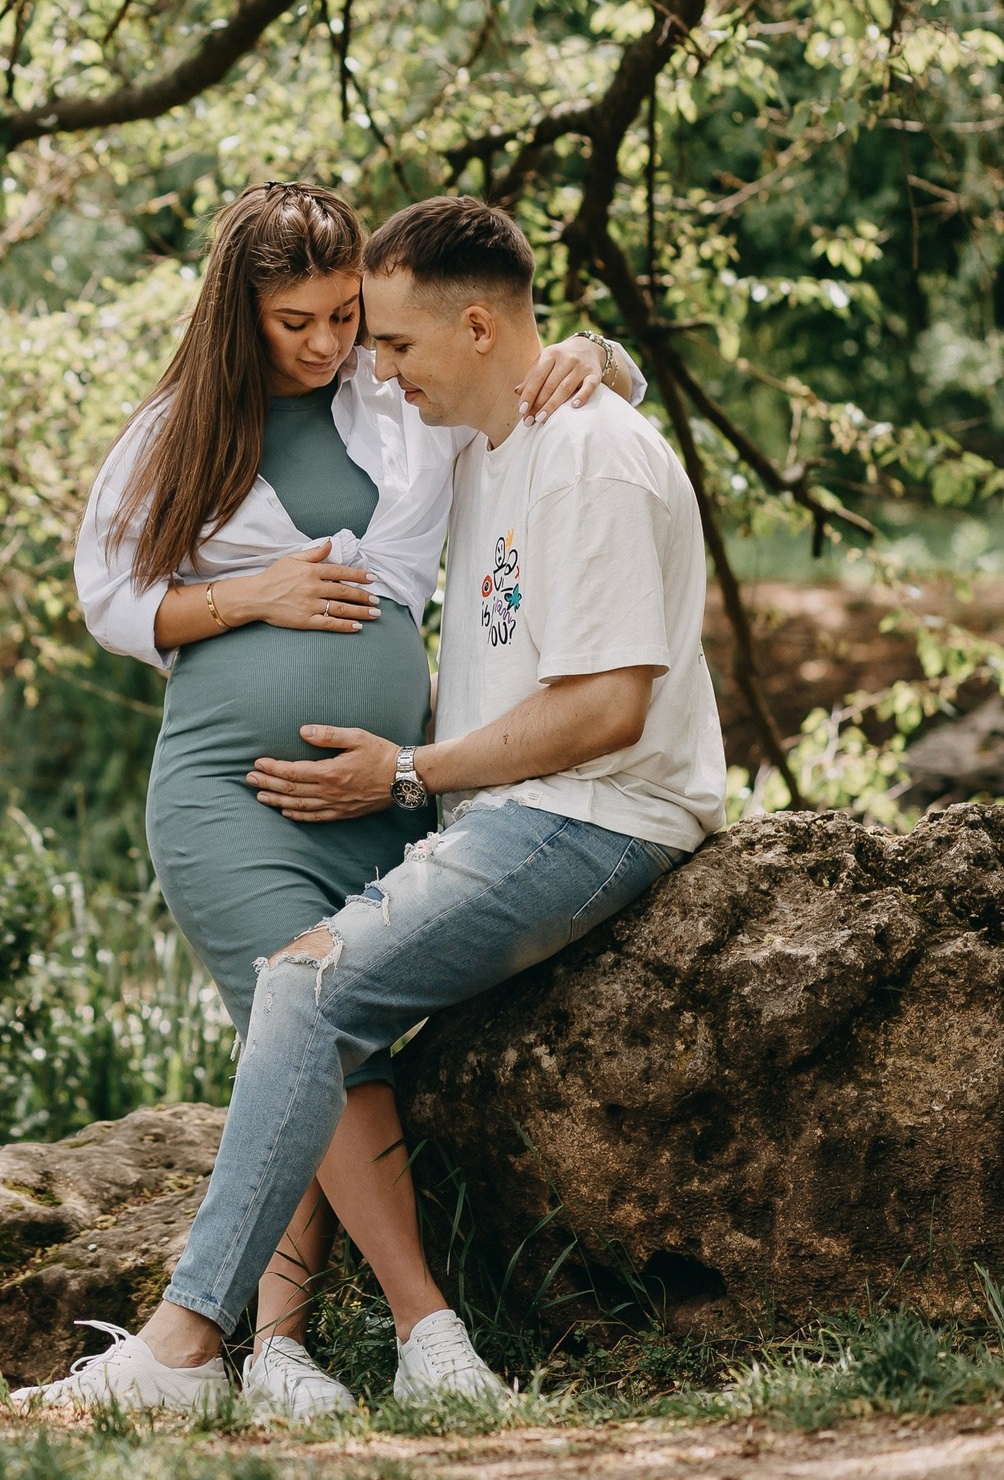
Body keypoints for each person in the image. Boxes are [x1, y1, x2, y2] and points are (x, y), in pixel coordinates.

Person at [54, 184, 643, 1419]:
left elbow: (518, 387)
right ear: (238, 315)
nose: (325, 345)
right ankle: (425, 1325)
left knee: (318, 1044)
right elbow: (110, 598)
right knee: (321, 1027)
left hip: (381, 791)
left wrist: (602, 358)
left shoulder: (397, 397)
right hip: (231, 790)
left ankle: (272, 1352)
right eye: (294, 323)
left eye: (342, 317)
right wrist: (248, 597)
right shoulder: (180, 427)